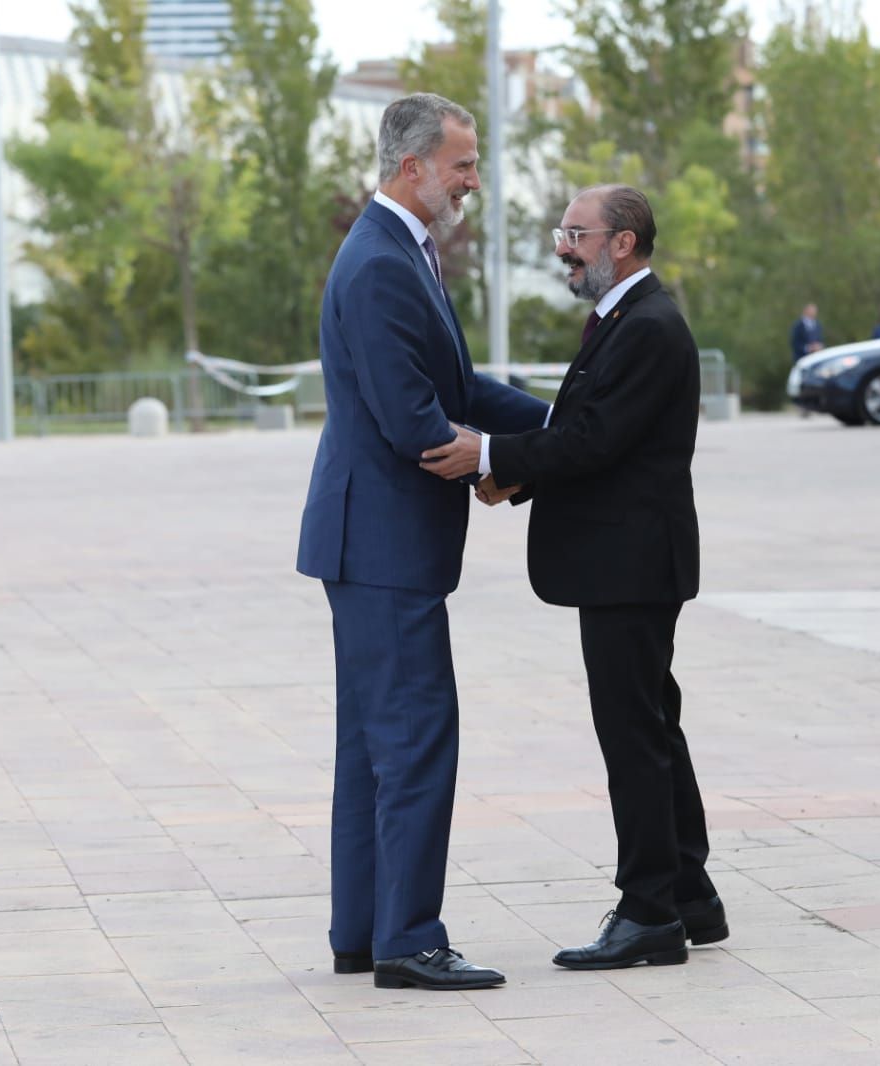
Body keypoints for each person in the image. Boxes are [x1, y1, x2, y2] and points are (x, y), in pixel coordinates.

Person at [418, 184, 727, 971]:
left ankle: (649, 910)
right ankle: (690, 893)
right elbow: (588, 437)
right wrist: (520, 475)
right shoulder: (625, 319)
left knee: (633, 736)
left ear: (621, 242)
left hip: (630, 566)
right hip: (627, 562)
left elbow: (592, 440)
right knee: (654, 723)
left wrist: (488, 456)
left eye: (576, 234)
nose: (565, 246)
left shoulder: (648, 326)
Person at [295, 92, 550, 992]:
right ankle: (409, 939)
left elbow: (459, 383)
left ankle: (363, 930)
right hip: (383, 545)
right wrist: (502, 464)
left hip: (374, 543)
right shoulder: (378, 265)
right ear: (411, 169)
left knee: (374, 743)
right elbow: (418, 422)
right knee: (413, 740)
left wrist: (558, 424)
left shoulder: (404, 252)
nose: (473, 182)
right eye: (463, 166)